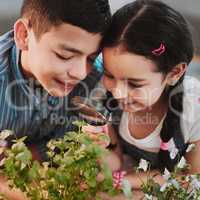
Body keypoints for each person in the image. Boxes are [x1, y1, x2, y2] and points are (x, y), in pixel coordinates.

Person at [0, 0, 111, 199]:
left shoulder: (100, 75)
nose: (79, 73)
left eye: (90, 58)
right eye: (65, 55)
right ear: (24, 35)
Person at [98, 0, 200, 195]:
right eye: (109, 74)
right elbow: (113, 158)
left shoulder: (193, 108)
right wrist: (100, 147)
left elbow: (193, 179)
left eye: (135, 84)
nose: (118, 93)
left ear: (174, 73)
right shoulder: (103, 95)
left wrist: (121, 180)